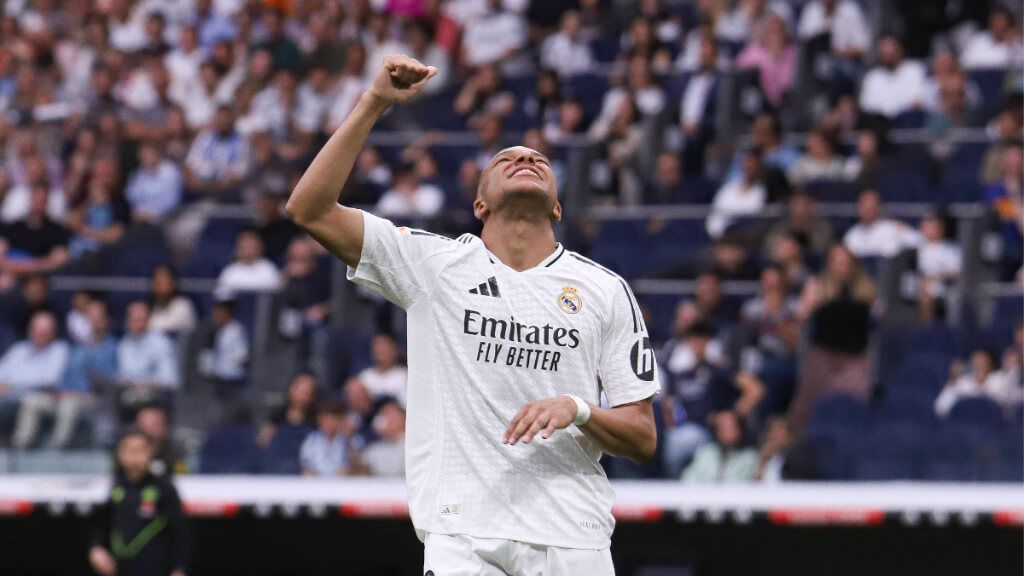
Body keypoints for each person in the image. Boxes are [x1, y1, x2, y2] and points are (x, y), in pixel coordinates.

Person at [287, 54, 658, 574]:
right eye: (505, 160)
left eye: (538, 160)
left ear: (557, 207)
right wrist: (373, 103)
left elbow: (642, 436)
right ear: (479, 204)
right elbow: (309, 209)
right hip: (462, 532)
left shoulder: (605, 289)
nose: (526, 159)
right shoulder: (434, 265)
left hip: (573, 534)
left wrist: (578, 408)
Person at [13, 299, 116, 450]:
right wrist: (58, 391)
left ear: (106, 321)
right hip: (63, 395)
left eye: (97, 317)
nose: (93, 321)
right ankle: (19, 448)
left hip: (92, 398)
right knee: (32, 401)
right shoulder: (74, 349)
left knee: (69, 405)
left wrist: (75, 392)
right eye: (89, 317)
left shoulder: (111, 346)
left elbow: (106, 380)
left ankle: (56, 450)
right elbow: (62, 377)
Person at [89, 428, 188, 576]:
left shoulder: (163, 487)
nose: (134, 456)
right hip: (119, 568)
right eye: (129, 450)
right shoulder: (113, 486)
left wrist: (180, 568)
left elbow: (180, 532)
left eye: (140, 450)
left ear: (151, 452)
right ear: (120, 453)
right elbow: (100, 524)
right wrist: (96, 548)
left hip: (155, 568)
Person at [0, 311, 70, 442]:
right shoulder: (18, 349)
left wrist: (13, 385)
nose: (41, 333)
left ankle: (20, 446)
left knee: (31, 401)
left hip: (44, 397)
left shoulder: (59, 350)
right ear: (30, 330)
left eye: (46, 330)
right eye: (38, 329)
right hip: (9, 396)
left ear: (53, 332)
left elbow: (50, 379)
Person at [117, 301, 180, 417]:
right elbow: (123, 375)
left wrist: (145, 385)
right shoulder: (124, 344)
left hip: (156, 395)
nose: (139, 324)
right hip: (130, 393)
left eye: (142, 319)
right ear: (127, 322)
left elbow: (169, 380)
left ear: (149, 319)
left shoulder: (161, 342)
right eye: (135, 320)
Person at [682, 411, 759, 483]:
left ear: (740, 430)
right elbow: (689, 478)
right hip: (704, 495)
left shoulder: (749, 457)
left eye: (730, 428)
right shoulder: (707, 452)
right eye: (722, 428)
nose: (726, 432)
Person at [843, 189, 920, 259]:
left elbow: (918, 240)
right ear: (858, 208)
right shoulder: (852, 235)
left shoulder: (893, 228)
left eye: (872, 206)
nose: (868, 210)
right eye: (865, 206)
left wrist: (904, 229)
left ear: (879, 207)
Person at [214, 228, 282, 294]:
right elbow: (222, 300)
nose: (248, 249)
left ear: (259, 246)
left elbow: (275, 296)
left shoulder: (268, 268)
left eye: (250, 244)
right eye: (244, 244)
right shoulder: (230, 271)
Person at [299, 398, 352, 476]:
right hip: (316, 481)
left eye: (333, 419)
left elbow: (348, 465)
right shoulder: (312, 439)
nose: (329, 423)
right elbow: (306, 464)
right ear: (319, 420)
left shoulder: (345, 441)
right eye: (325, 419)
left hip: (340, 481)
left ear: (339, 420)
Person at [355, 398, 407, 477]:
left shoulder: (411, 447)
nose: (384, 419)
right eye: (382, 415)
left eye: (389, 415)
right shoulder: (374, 449)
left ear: (402, 419)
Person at [148, 266, 197, 335]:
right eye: (158, 282)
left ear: (173, 284)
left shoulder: (183, 305)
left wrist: (147, 324)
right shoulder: (150, 306)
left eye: (164, 281)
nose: (160, 286)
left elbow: (170, 326)